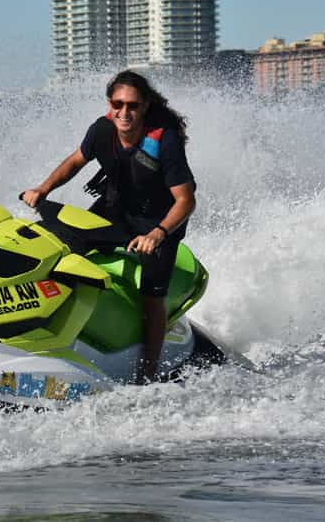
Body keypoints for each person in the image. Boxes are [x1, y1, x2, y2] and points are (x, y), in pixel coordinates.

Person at [22, 70, 196, 384]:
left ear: (144, 107)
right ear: (109, 105)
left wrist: (157, 234)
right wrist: (43, 189)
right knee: (57, 244)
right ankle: (36, 324)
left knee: (152, 297)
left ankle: (148, 373)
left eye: (132, 105)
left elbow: (185, 201)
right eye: (118, 104)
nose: (124, 112)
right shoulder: (102, 130)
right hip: (115, 209)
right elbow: (76, 161)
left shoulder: (163, 140)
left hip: (158, 222)